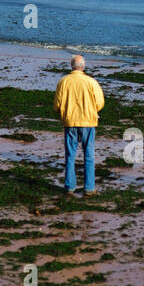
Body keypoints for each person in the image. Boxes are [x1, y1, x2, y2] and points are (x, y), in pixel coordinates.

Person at [53, 54, 104, 194]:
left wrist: (62, 112)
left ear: (72, 66)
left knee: (70, 155)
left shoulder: (64, 81)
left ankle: (70, 186)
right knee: (89, 155)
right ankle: (89, 187)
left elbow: (57, 104)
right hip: (88, 121)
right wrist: (92, 110)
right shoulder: (91, 82)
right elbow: (100, 103)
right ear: (83, 66)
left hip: (70, 121)